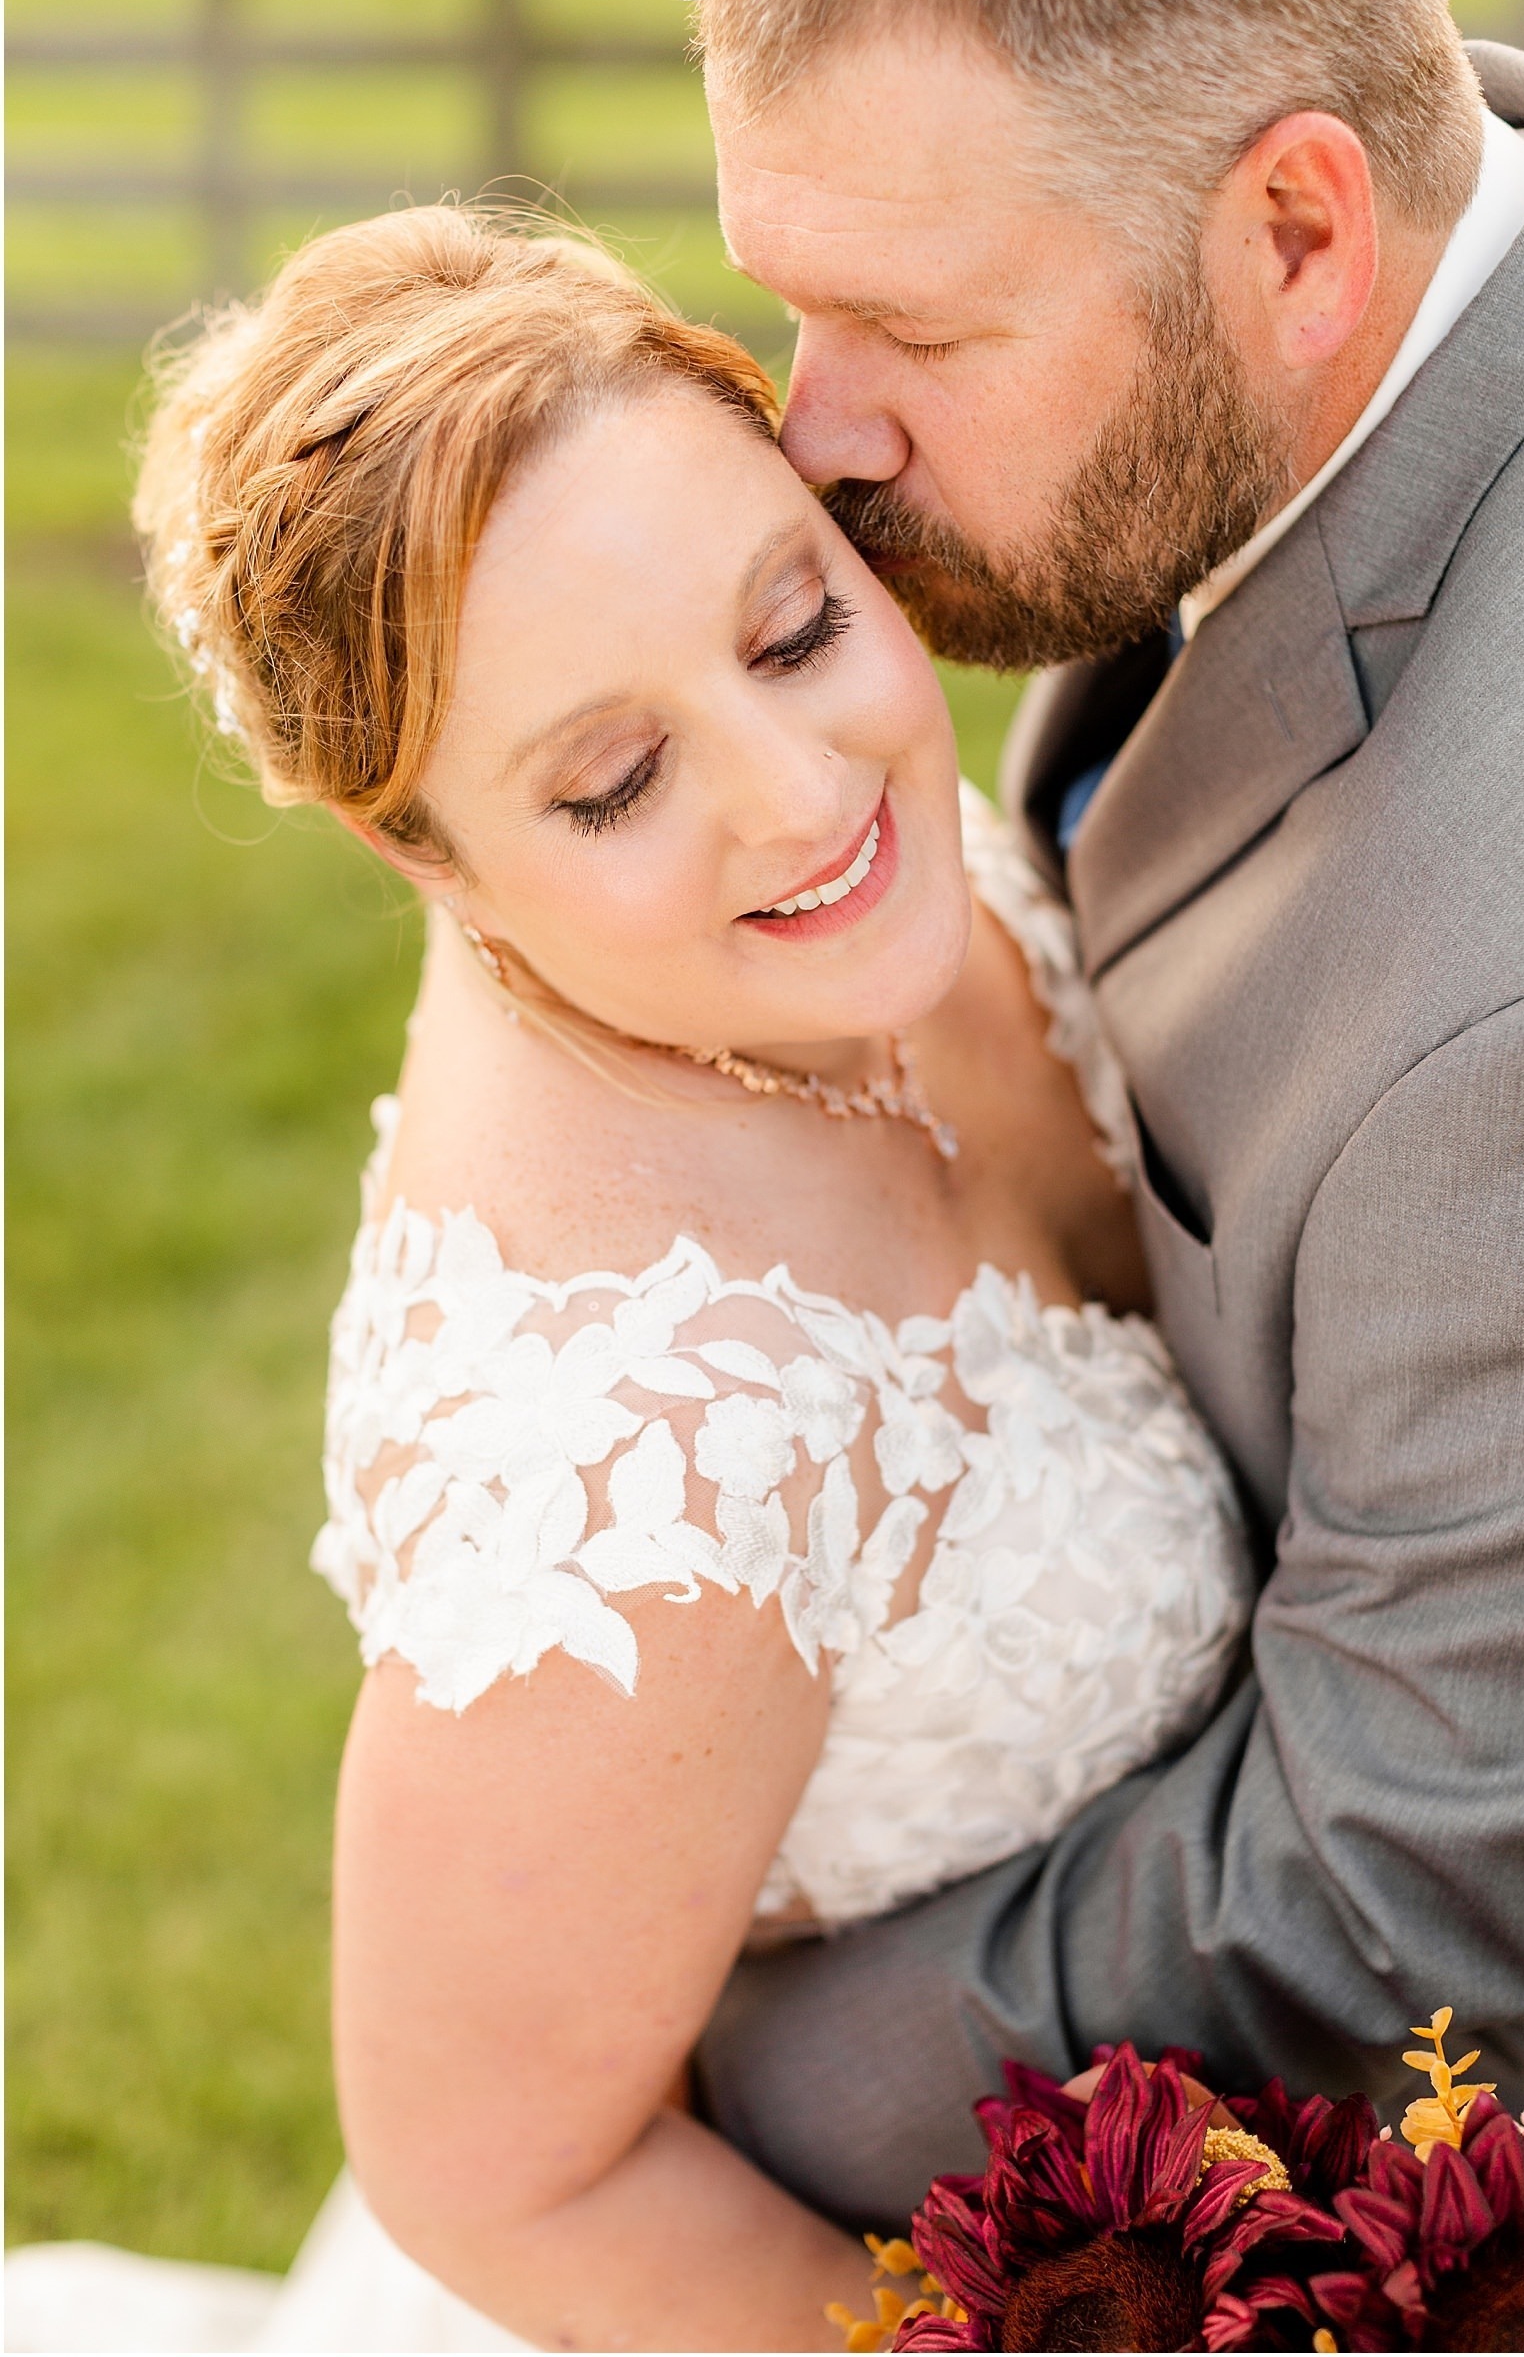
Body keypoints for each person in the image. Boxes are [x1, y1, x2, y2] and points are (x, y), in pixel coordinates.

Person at [7, 204, 1256, 2351]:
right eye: (611, 780)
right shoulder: (621, 1447)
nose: (800, 798)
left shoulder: (839, 877)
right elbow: (505, 2171)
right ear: (425, 855)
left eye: (789, 628)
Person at [691, 0, 1524, 2231]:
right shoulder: (1371, 371)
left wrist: (684, 2039)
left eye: (914, 326)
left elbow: (1406, 1908)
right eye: (786, 303)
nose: (817, 434)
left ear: (1296, 235)